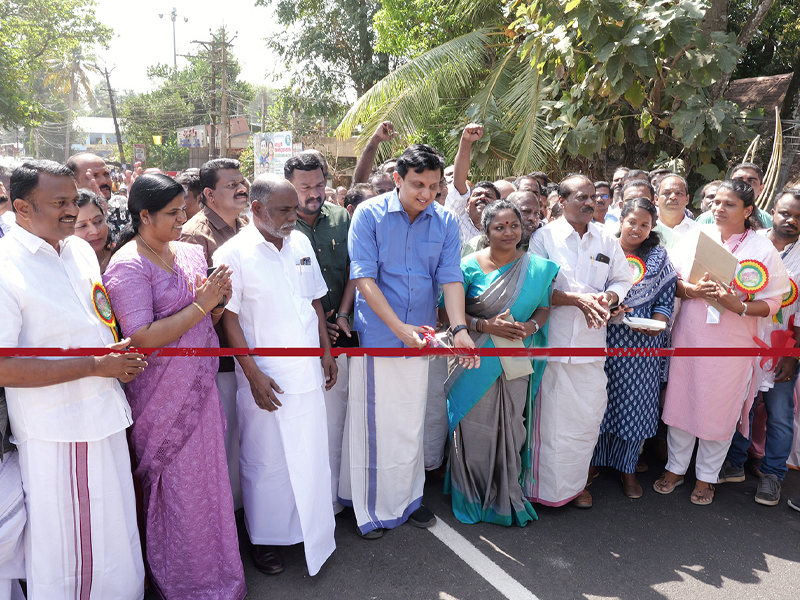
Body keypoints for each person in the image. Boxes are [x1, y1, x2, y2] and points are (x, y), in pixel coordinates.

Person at [0, 160, 146, 598]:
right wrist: (96, 366)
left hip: (103, 413)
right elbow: (3, 366)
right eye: (59, 203)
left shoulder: (79, 249)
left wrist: (110, 361)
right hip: (59, 429)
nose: (72, 211)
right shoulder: (7, 267)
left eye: (73, 199)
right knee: (73, 551)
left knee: (114, 536)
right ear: (22, 208)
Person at [103, 173, 245, 599]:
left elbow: (206, 323)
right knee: (177, 491)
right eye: (172, 213)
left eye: (183, 209)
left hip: (199, 392)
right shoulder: (128, 264)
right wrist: (204, 302)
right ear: (143, 215)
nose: (183, 219)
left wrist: (217, 303)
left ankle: (220, 577)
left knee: (211, 487)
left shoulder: (187, 252)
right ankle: (185, 584)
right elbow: (141, 336)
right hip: (159, 399)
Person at [342, 144, 478, 538]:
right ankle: (370, 510)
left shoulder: (445, 222)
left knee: (409, 425)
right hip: (381, 338)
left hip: (422, 339)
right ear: (398, 179)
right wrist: (398, 328)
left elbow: (450, 277)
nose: (426, 193)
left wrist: (459, 329)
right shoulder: (369, 214)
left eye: (434, 186)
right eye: (418, 184)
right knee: (375, 425)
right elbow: (363, 278)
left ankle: (408, 500)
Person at [215, 174, 336, 576]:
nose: (293, 216)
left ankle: (309, 531)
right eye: (284, 210)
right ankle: (263, 539)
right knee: (266, 462)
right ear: (256, 210)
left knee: (310, 454)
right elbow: (228, 320)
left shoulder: (299, 241)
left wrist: (326, 350)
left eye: (293, 208)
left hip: (307, 371)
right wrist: (251, 374)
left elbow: (313, 300)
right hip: (265, 377)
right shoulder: (233, 254)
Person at [655, 180, 789, 505]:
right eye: (716, 202)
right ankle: (675, 468)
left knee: (721, 406)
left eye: (729, 204)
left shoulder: (762, 249)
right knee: (682, 398)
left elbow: (773, 302)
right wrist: (692, 291)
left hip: (734, 341)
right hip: (691, 333)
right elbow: (671, 281)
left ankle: (706, 476)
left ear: (748, 211)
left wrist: (739, 306)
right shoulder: (695, 238)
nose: (718, 208)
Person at [443, 200, 558, 525]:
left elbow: (544, 307)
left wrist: (530, 326)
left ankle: (504, 495)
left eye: (514, 226)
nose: (508, 232)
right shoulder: (465, 266)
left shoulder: (538, 267)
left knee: (511, 426)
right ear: (486, 230)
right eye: (499, 227)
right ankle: (471, 494)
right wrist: (483, 326)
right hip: (473, 357)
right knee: (473, 429)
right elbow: (444, 313)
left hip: (514, 357)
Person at [528, 174, 633, 508]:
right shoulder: (544, 238)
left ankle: (576, 486)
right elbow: (536, 290)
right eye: (582, 197)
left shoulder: (605, 238)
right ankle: (541, 490)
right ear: (561, 201)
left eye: (594, 197)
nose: (591, 203)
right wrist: (576, 300)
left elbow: (622, 278)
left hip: (591, 347)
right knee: (551, 424)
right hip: (553, 347)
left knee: (586, 420)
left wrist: (610, 298)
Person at [590, 198, 676, 498]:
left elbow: (665, 300)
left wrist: (656, 322)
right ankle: (592, 463)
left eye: (645, 225)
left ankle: (628, 469)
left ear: (652, 228)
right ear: (621, 220)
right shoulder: (604, 249)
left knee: (634, 407)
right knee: (600, 401)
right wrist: (609, 308)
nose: (637, 229)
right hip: (604, 339)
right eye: (632, 222)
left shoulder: (658, 257)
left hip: (643, 347)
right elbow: (590, 289)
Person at [719, 189, 800, 506]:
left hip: (784, 344)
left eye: (798, 216)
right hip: (743, 337)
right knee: (742, 404)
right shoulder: (751, 244)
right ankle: (735, 463)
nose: (791, 220)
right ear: (772, 211)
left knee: (780, 414)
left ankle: (772, 477)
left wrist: (792, 355)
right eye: (785, 213)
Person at [284, 153, 354, 516]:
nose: (314, 193)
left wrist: (341, 313)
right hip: (297, 337)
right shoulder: (277, 222)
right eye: (305, 186)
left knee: (336, 417)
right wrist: (314, 324)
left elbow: (356, 270)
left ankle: (335, 496)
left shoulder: (342, 217)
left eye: (319, 184)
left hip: (341, 333)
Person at [180, 158, 249, 510]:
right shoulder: (196, 235)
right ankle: (231, 520)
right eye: (231, 184)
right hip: (222, 355)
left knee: (247, 440)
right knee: (228, 442)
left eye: (242, 181)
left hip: (253, 348)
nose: (241, 187)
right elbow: (202, 303)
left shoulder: (249, 225)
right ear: (208, 193)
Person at [696, 164, 772, 228]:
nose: (744, 185)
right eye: (738, 180)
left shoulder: (767, 220)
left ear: (761, 189)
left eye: (751, 181)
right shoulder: (707, 219)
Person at [74, 188, 115, 273]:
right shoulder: (65, 269)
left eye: (98, 221)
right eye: (82, 226)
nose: (95, 231)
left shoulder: (121, 256)